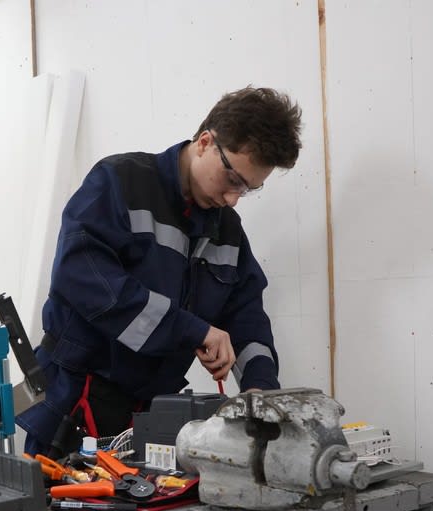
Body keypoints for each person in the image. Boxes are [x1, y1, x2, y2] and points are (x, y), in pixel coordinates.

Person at [18, 86, 303, 458]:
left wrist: (258, 389)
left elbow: (246, 315)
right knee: (62, 499)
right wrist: (193, 330)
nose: (233, 199)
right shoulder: (119, 183)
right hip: (75, 405)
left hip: (153, 417)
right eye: (233, 179)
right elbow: (85, 282)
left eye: (248, 189)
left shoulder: (227, 231)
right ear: (205, 143)